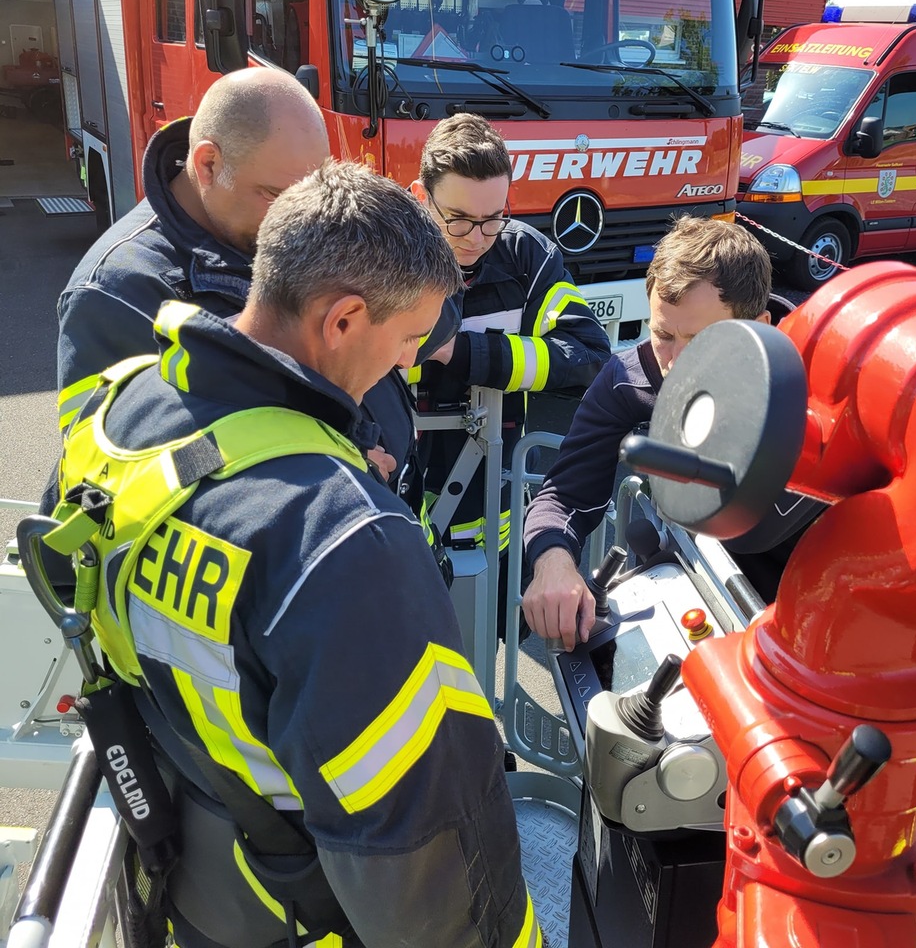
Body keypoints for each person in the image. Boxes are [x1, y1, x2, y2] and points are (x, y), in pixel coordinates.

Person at [44, 161, 540, 947]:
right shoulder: (344, 539)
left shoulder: (127, 406)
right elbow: (423, 862)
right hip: (302, 917)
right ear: (343, 320)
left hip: (193, 884)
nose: (409, 363)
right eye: (410, 338)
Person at [54, 67, 446, 489]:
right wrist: (326, 461)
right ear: (208, 165)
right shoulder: (116, 292)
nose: (301, 217)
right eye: (277, 195)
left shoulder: (263, 220)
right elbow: (108, 477)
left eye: (315, 188)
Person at [522, 215, 822, 650]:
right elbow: (566, 492)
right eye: (663, 334)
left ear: (759, 325)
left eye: (701, 340)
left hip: (819, 613)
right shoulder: (627, 379)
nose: (677, 364)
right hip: (698, 599)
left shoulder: (820, 384)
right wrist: (552, 561)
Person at [410, 113, 610, 621]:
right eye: (456, 219)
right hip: (402, 510)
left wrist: (461, 353)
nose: (476, 238)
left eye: (492, 218)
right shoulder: (382, 258)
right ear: (419, 195)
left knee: (496, 639)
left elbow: (587, 353)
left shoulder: (526, 254)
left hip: (494, 509)